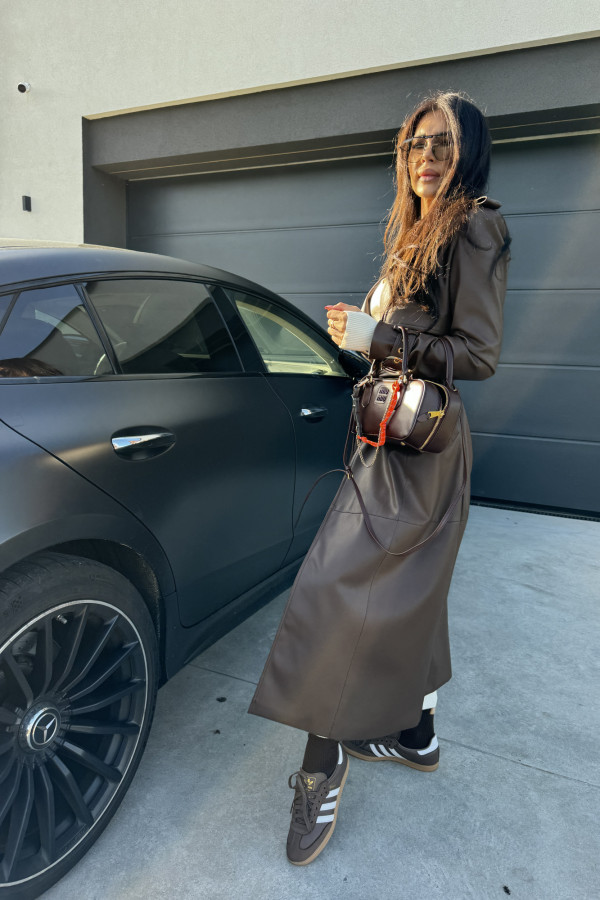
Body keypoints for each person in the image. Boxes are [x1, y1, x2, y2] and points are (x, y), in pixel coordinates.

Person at [248, 91, 511, 866]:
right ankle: (417, 735)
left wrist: (381, 336)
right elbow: (406, 339)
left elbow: (479, 354)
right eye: (415, 143)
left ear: (469, 151)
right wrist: (362, 337)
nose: (426, 156)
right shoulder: (414, 232)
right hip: (386, 441)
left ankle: (321, 769)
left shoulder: (475, 225)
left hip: (419, 453)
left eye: (443, 142)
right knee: (406, 592)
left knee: (342, 596)